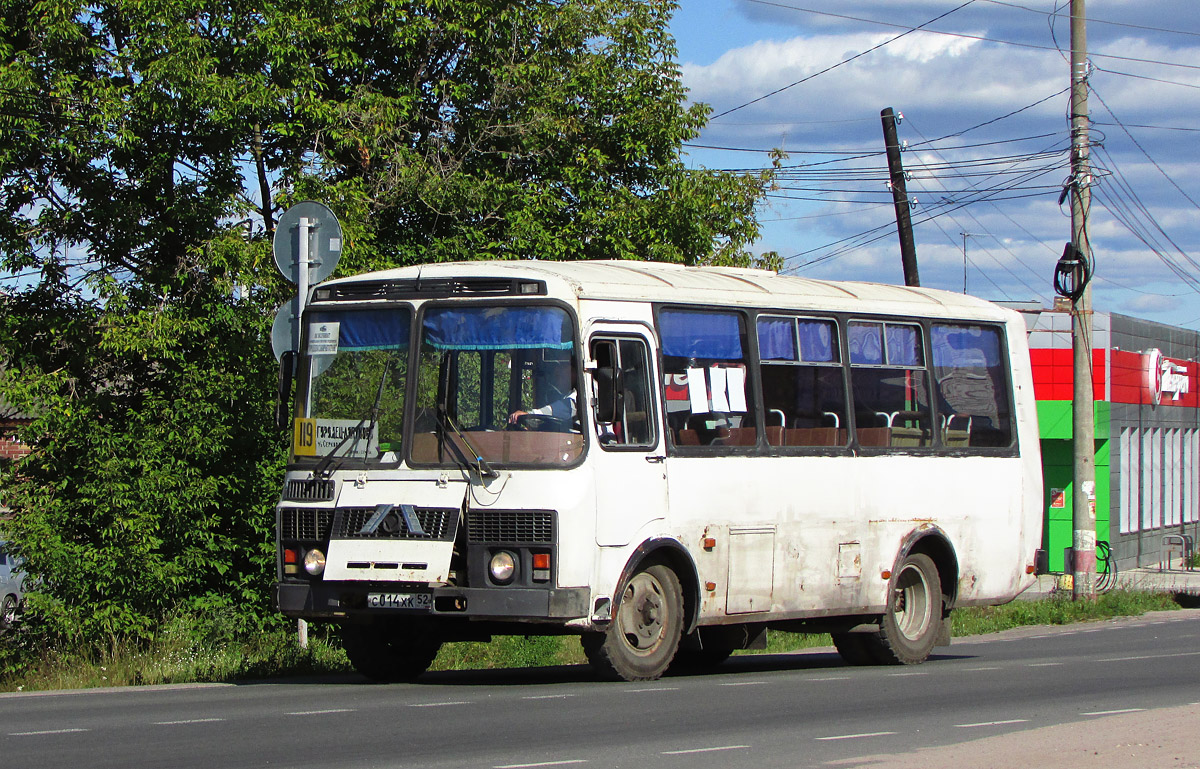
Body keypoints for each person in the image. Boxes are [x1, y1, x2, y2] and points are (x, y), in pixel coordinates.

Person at [508, 358, 577, 425]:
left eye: (562, 366)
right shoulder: (563, 396)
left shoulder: (575, 400)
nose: (556, 372)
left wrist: (528, 415)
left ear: (574, 371)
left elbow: (551, 411)